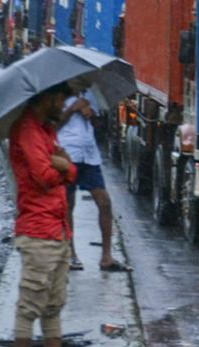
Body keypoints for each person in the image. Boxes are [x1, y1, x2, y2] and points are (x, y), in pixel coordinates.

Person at [8, 83, 92, 347]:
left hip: (58, 228)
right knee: (30, 302)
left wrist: (64, 165)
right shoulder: (28, 130)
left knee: (54, 303)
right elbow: (45, 177)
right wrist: (63, 166)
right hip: (38, 229)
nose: (64, 104)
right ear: (47, 98)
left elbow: (70, 171)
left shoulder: (47, 130)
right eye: (61, 99)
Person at [59, 82, 126, 272]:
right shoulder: (55, 94)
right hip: (66, 153)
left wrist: (93, 115)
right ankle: (71, 254)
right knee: (67, 204)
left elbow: (98, 125)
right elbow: (50, 125)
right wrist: (72, 109)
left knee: (104, 203)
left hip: (89, 154)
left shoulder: (89, 93)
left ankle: (106, 256)